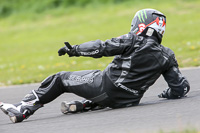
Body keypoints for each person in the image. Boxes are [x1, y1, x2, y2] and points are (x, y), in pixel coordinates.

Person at [0, 9, 190, 123]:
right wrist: (169, 94)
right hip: (130, 100)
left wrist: (75, 50)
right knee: (99, 78)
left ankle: (24, 108)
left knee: (60, 78)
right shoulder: (168, 55)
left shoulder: (133, 40)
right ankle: (87, 104)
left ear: (141, 24)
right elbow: (180, 87)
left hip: (105, 86)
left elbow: (101, 47)